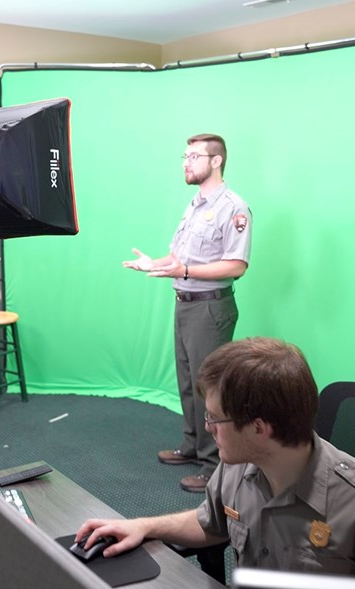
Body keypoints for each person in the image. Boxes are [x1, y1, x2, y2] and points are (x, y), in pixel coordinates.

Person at [75, 337, 355, 583]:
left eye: (215, 418)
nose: (207, 427)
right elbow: (210, 525)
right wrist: (144, 526)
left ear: (259, 428)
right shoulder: (236, 468)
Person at [123, 133, 251, 493]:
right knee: (187, 382)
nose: (185, 162)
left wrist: (185, 272)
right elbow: (180, 258)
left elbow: (236, 265)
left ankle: (214, 466)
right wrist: (154, 263)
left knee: (210, 387)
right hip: (185, 305)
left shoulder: (233, 208)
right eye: (185, 155)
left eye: (193, 156)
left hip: (211, 308)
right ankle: (193, 445)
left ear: (216, 161)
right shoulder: (194, 205)